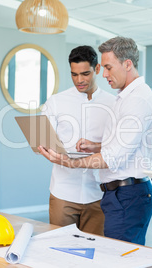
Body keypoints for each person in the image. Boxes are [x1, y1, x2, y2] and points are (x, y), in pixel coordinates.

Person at [38, 36, 152, 245]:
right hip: (74, 190)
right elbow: (123, 144)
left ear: (127, 64)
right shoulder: (124, 98)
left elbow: (114, 156)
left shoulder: (128, 100)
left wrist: (69, 161)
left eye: (108, 68)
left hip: (113, 194)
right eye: (74, 74)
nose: (105, 74)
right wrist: (96, 146)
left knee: (110, 255)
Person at [40, 45, 115, 235]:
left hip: (98, 194)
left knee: (95, 253)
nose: (79, 80)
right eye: (74, 74)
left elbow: (117, 147)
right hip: (63, 192)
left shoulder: (113, 103)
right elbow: (42, 140)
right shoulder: (56, 102)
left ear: (97, 69)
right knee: (60, 250)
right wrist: (47, 150)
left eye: (85, 73)